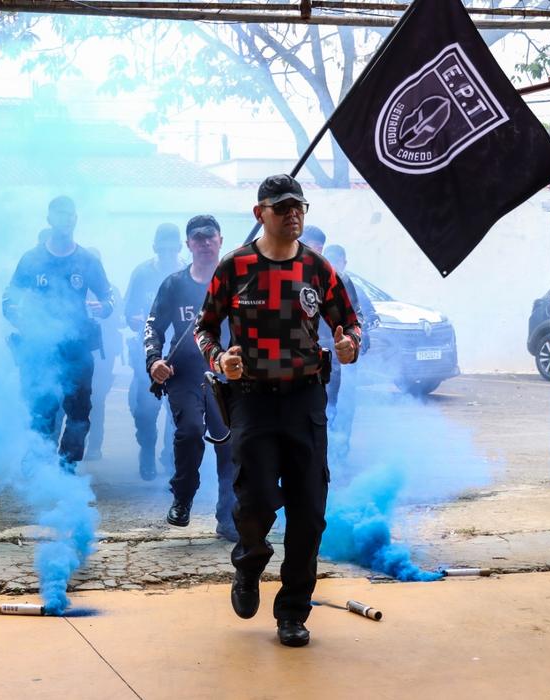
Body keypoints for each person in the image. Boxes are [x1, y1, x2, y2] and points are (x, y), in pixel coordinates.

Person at [193, 174, 361, 648]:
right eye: (282, 207)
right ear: (260, 213)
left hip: (305, 400)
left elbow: (350, 323)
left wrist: (350, 345)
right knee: (256, 501)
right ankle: (249, 563)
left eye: (299, 207)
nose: (293, 215)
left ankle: (292, 612)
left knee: (309, 512)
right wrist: (219, 360)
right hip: (252, 400)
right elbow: (205, 328)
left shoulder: (318, 269)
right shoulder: (235, 267)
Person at [3, 196, 114, 470]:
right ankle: (39, 462)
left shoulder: (87, 260)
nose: (65, 219)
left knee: (79, 412)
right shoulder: (32, 259)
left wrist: (104, 307)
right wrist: (20, 319)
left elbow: (108, 296)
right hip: (40, 348)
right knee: (41, 408)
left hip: (77, 349)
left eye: (69, 214)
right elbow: (9, 297)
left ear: (75, 219)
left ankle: (67, 467)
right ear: (49, 219)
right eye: (59, 214)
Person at [145, 215, 237, 542]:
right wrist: (154, 361)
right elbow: (153, 327)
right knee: (190, 432)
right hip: (184, 374)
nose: (205, 242)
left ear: (220, 240)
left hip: (226, 375)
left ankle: (229, 518)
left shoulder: (235, 284)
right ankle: (182, 498)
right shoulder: (173, 284)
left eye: (210, 236)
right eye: (198, 238)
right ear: (188, 244)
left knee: (229, 443)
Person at [301, 231, 368, 462]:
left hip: (328, 361)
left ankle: (329, 461)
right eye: (311, 246)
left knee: (328, 410)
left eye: (319, 248)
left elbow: (355, 317)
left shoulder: (336, 278)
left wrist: (353, 340)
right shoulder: (280, 273)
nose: (316, 252)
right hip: (290, 364)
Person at [124, 224, 183, 480]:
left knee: (178, 409)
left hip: (179, 352)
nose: (167, 254)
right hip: (148, 351)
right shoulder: (142, 273)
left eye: (172, 249)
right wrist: (133, 319)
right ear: (154, 247)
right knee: (145, 409)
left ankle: (170, 456)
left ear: (180, 248)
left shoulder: (186, 272)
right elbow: (128, 309)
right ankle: (147, 449)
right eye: (163, 249)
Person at [85, 248, 124, 461]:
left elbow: (121, 319)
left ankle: (94, 446)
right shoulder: (75, 287)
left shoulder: (110, 291)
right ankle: (74, 444)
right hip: (78, 352)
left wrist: (103, 310)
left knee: (97, 399)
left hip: (103, 355)